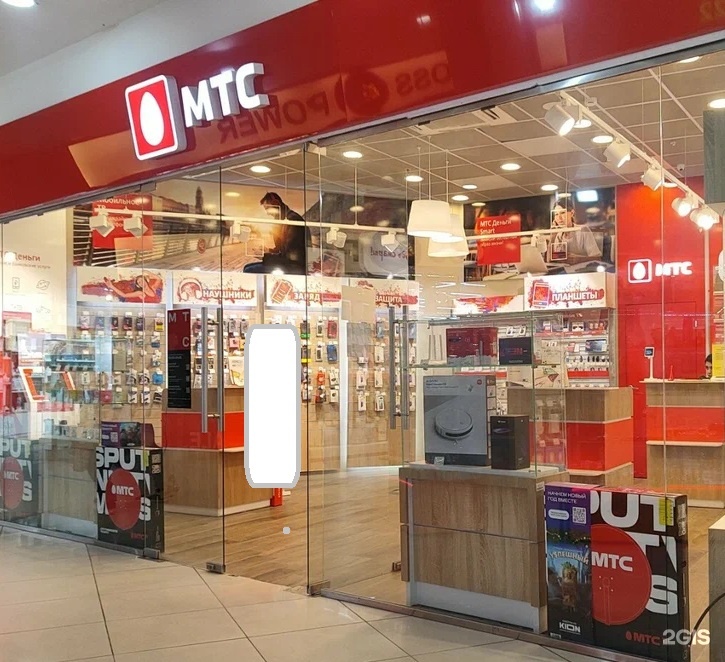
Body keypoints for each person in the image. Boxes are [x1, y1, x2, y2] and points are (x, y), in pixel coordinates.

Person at [243, 192, 307, 275]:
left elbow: (290, 256)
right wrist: (268, 251)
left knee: (249, 270)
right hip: (288, 264)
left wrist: (265, 256)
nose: (267, 213)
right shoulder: (284, 220)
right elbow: (282, 250)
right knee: (247, 267)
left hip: (293, 267)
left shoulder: (292, 221)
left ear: (276, 204)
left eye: (267, 209)